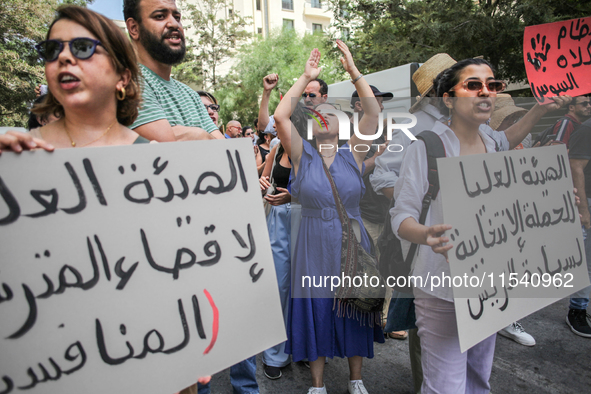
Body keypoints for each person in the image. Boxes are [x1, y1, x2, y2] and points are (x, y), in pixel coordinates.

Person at [274, 40, 383, 394]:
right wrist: (306, 76)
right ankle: (317, 384)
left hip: (351, 237)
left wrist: (353, 72)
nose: (324, 116)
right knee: (316, 307)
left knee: (355, 304)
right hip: (313, 242)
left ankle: (356, 380)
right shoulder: (302, 153)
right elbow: (279, 116)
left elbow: (374, 113)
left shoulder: (354, 153)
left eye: (331, 113)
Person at [123, 0, 224, 141]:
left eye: (177, 17)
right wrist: (198, 134)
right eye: (160, 16)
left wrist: (196, 136)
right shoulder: (127, 82)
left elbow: (226, 151)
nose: (174, 24)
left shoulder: (191, 96)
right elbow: (166, 148)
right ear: (134, 28)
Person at [259, 142, 293, 380]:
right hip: (278, 223)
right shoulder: (276, 147)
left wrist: (294, 197)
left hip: (307, 220)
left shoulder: (317, 148)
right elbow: (263, 178)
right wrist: (262, 183)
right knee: (278, 286)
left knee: (302, 288)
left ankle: (299, 346)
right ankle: (273, 354)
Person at [566, 117, 591, 338]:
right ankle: (578, 309)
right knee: (586, 261)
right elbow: (576, 167)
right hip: (588, 201)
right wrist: (584, 210)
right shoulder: (586, 130)